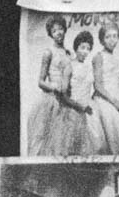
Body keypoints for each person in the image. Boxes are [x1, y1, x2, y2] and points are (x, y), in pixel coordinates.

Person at [28, 15, 89, 156]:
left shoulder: (69, 53)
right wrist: (54, 87)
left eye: (61, 29)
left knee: (66, 140)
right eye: (55, 31)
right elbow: (40, 81)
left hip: (66, 99)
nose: (59, 33)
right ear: (51, 34)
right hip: (52, 100)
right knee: (45, 138)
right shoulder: (48, 53)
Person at [89, 20, 119, 154]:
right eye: (107, 37)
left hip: (118, 94)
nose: (111, 40)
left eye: (114, 36)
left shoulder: (118, 58)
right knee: (111, 133)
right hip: (105, 98)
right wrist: (115, 102)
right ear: (102, 40)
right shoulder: (99, 57)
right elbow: (97, 85)